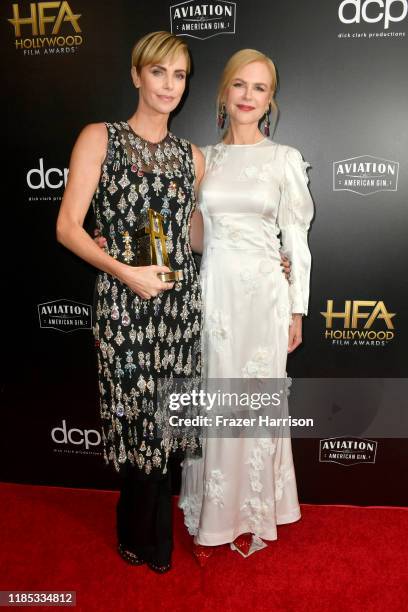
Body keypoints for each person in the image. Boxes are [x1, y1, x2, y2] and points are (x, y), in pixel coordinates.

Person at [56, 31, 204, 573]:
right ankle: (139, 533)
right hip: (124, 302)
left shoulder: (192, 157)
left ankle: (151, 539)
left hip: (178, 306)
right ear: (137, 75)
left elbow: (195, 238)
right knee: (137, 417)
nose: (169, 85)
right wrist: (125, 273)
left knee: (166, 421)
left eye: (180, 75)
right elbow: (68, 227)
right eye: (160, 72)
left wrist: (264, 252)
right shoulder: (101, 137)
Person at [178, 49, 314, 564]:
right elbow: (196, 236)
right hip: (215, 294)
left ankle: (252, 512)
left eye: (259, 88)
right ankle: (212, 514)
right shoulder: (203, 158)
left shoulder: (284, 159)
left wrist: (296, 308)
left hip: (264, 297)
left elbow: (296, 239)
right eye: (239, 85)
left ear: (270, 100)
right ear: (223, 93)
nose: (247, 97)